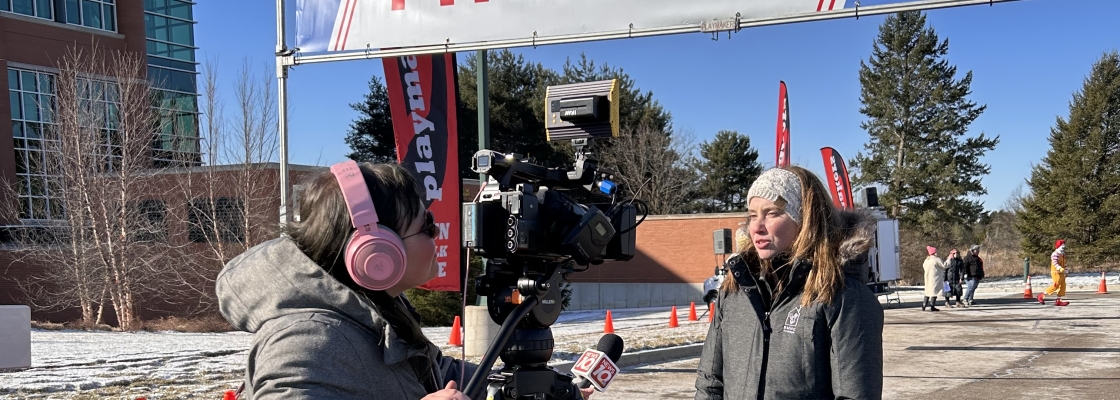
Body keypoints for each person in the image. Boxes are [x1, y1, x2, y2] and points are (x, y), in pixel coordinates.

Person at [215, 161, 475, 400]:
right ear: (376, 254)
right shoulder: (309, 342)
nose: (438, 231)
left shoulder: (375, 308)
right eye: (427, 224)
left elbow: (433, 370)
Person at [695, 166, 884, 400]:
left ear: (806, 220)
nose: (756, 226)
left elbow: (856, 395)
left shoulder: (843, 296)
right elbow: (710, 384)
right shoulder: (734, 290)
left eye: (772, 213)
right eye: (753, 215)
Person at [1039, 240, 1070, 306]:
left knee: (1062, 286)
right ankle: (1041, 295)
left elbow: (1064, 264)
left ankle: (1058, 300)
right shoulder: (1055, 254)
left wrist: (1066, 270)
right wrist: (1060, 268)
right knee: (1056, 285)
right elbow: (1055, 263)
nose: (1063, 247)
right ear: (1058, 246)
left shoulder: (1063, 254)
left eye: (1064, 245)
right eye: (1062, 245)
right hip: (1056, 272)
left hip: (1061, 272)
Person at [922, 246, 945, 312]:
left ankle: (924, 305)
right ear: (934, 252)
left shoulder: (926, 260)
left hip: (928, 278)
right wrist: (949, 260)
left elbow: (924, 267)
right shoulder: (936, 259)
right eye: (935, 252)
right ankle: (932, 306)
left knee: (927, 292)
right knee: (934, 292)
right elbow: (944, 265)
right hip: (935, 278)